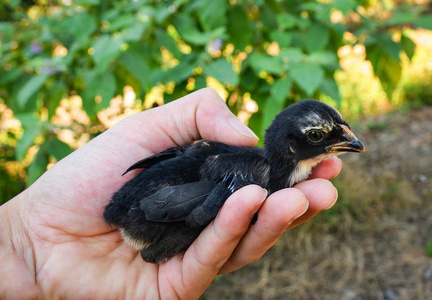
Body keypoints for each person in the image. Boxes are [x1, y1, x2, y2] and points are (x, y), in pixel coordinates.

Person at [0, 88, 341, 299]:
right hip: (144, 221)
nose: (346, 142)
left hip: (136, 215)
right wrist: (23, 243)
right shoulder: (261, 173)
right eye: (317, 136)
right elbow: (193, 207)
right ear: (292, 144)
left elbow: (193, 161)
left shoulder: (260, 172)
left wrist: (25, 245)